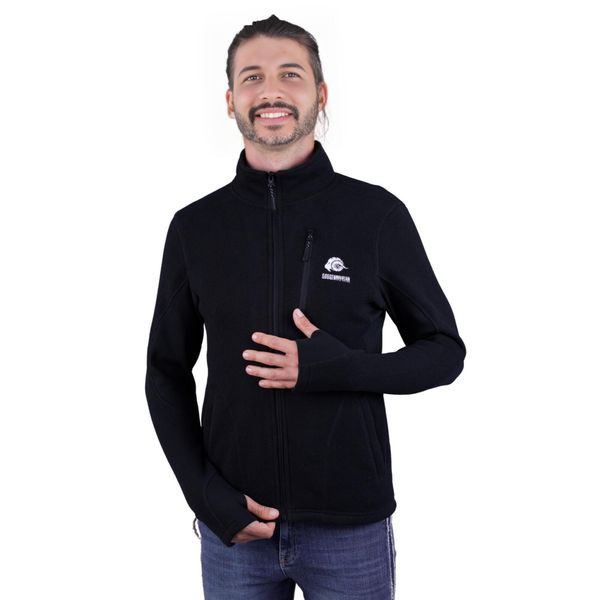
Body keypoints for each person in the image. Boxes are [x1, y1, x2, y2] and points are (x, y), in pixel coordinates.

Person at [145, 14, 466, 599]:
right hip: (235, 525)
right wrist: (205, 494)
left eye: (290, 74)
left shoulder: (375, 216)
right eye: (252, 77)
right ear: (230, 101)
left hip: (351, 528)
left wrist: (337, 368)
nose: (271, 91)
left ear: (320, 93)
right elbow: (165, 372)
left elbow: (444, 352)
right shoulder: (195, 228)